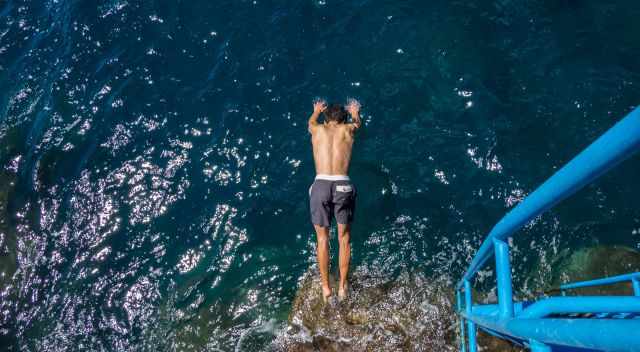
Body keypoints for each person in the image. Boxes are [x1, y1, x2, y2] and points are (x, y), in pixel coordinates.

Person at [307, 98, 361, 302]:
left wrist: (316, 111)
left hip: (321, 184)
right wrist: (355, 112)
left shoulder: (317, 129)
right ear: (344, 119)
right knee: (344, 238)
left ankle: (326, 289)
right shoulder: (348, 129)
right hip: (343, 185)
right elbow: (358, 124)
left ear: (326, 118)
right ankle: (343, 287)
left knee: (322, 239)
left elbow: (310, 123)